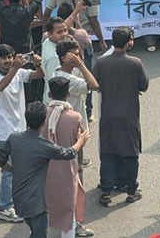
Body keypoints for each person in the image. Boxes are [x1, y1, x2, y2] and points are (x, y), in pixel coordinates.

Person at [0, 101, 91, 238]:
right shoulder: (44, 146)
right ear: (43, 122)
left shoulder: (14, 138)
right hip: (37, 204)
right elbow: (69, 153)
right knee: (39, 234)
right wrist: (80, 141)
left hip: (19, 198)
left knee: (34, 231)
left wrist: (15, 170)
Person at [92, 27, 149, 207]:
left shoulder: (101, 62)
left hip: (108, 115)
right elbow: (144, 85)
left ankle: (106, 190)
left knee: (108, 152)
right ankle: (131, 190)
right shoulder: (135, 63)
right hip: (129, 116)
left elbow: (94, 83)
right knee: (131, 153)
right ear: (129, 42)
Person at [0, 45, 44, 224]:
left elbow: (39, 75)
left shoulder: (19, 73)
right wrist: (15, 68)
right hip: (4, 131)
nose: (8, 61)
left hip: (20, 129)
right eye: (4, 58)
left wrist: (38, 64)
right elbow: (1, 86)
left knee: (17, 169)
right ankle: (5, 207)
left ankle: (4, 202)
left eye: (10, 57)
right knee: (8, 172)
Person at [41, 76, 94, 237]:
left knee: (46, 204)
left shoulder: (42, 113)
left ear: (49, 95)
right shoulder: (75, 117)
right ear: (68, 94)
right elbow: (81, 141)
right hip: (67, 167)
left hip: (45, 167)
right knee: (68, 207)